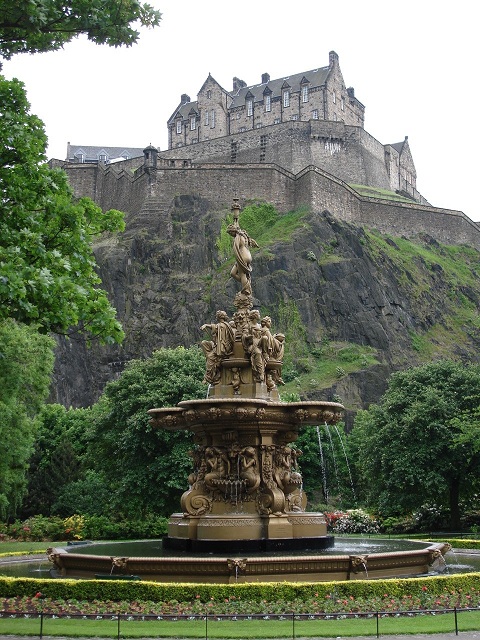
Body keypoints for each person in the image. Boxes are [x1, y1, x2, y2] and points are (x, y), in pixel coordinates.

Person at [200, 310, 235, 384]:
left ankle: (209, 376)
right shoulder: (223, 325)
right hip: (216, 344)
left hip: (222, 347)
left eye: (217, 316)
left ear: (219, 317)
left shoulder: (223, 325)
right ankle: (212, 359)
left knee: (210, 357)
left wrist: (206, 325)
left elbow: (216, 327)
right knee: (204, 343)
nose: (216, 317)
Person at [227, 222, 258, 295]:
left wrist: (237, 256)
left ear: (233, 231)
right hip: (248, 255)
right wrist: (236, 219)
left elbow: (236, 247)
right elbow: (237, 226)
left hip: (243, 256)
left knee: (242, 274)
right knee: (233, 273)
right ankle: (247, 285)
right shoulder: (243, 235)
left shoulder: (238, 237)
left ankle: (246, 290)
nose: (230, 235)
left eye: (230, 233)